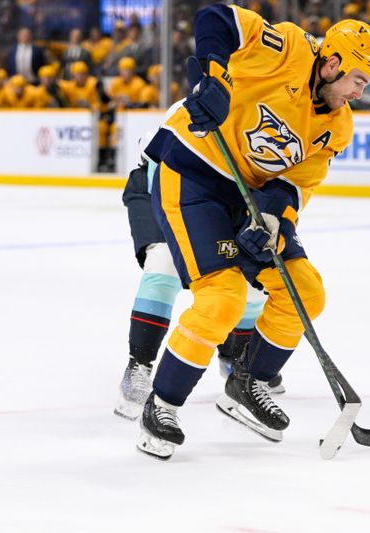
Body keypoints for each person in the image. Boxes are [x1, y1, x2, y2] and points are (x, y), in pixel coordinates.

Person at [136, 5, 370, 459]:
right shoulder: (286, 46)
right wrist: (212, 76)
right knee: (223, 297)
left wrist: (271, 220)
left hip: (250, 197)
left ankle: (246, 382)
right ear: (332, 65)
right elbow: (216, 18)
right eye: (357, 81)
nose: (358, 93)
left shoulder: (338, 125)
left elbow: (295, 183)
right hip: (194, 172)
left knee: (305, 291)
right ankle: (162, 404)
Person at [114, 129, 283, 421]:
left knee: (250, 277)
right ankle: (139, 364)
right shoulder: (197, 111)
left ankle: (236, 360)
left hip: (225, 197)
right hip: (163, 188)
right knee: (163, 263)